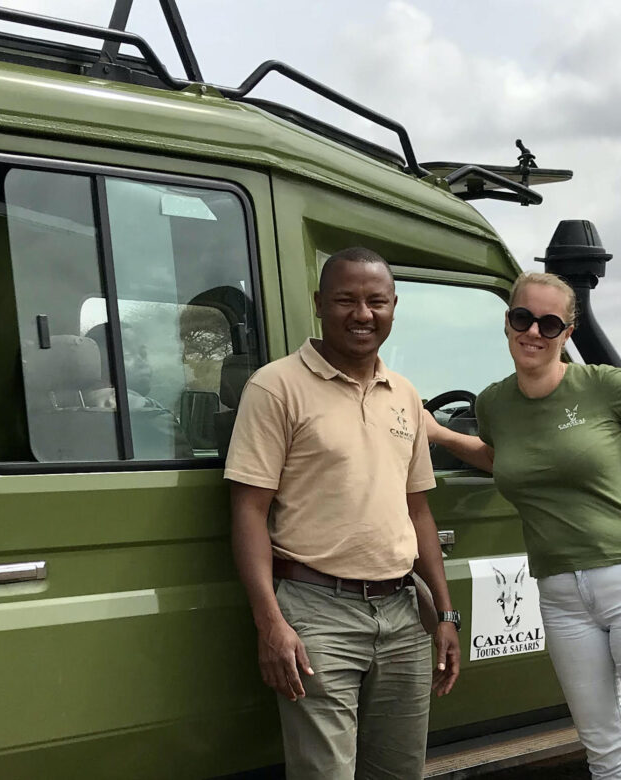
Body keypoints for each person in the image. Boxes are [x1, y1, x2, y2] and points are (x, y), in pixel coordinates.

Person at [428, 272, 621, 780]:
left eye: (550, 323)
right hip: (561, 593)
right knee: (604, 753)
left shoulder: (602, 386)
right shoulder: (493, 403)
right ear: (507, 322)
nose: (534, 332)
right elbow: (506, 459)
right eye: (524, 318)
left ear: (567, 333)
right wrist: (441, 435)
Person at [225, 247, 461, 779]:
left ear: (394, 307)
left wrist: (445, 615)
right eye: (346, 300)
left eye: (376, 301)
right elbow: (247, 511)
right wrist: (271, 624)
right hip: (316, 614)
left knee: (399, 771)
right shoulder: (275, 386)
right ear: (319, 304)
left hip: (402, 613)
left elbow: (418, 511)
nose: (362, 313)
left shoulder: (404, 394)